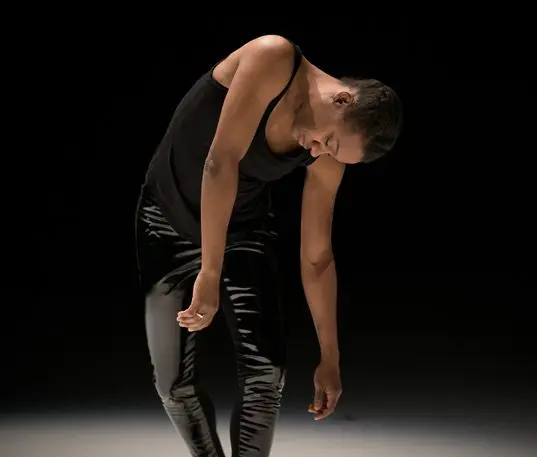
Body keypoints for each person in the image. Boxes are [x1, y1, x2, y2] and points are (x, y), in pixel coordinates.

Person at [134, 34, 402, 457]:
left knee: (266, 374)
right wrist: (209, 271)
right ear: (342, 100)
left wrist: (330, 357)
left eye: (332, 153)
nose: (319, 152)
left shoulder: (327, 156)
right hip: (166, 221)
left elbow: (317, 257)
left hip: (243, 230)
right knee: (172, 385)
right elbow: (219, 162)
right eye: (328, 141)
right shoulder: (273, 58)